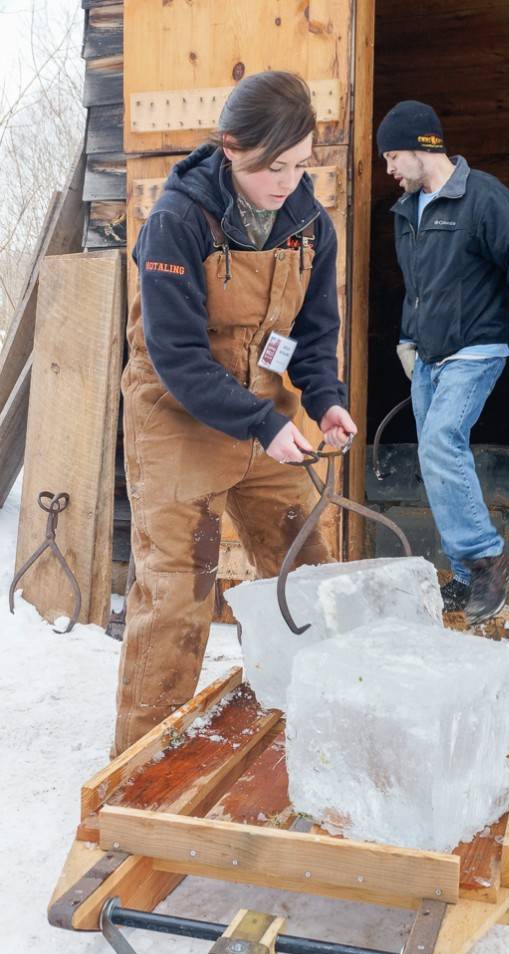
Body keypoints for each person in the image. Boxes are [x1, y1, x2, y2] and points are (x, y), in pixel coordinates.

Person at [114, 71, 356, 754]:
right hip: (179, 418)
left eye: (300, 164)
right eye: (271, 166)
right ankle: (139, 769)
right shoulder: (177, 221)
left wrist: (326, 400)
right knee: (176, 595)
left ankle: (303, 739)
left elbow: (314, 333)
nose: (287, 181)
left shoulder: (311, 224)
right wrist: (264, 423)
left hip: (267, 419)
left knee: (302, 573)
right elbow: (178, 358)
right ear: (231, 147)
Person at [376, 100, 509, 625]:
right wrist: (408, 338)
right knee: (432, 456)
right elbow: (417, 287)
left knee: (441, 441)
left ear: (423, 147)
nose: (389, 169)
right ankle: (465, 576)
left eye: (393, 155)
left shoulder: (482, 196)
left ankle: (488, 559)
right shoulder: (407, 211)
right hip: (431, 355)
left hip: (476, 348)